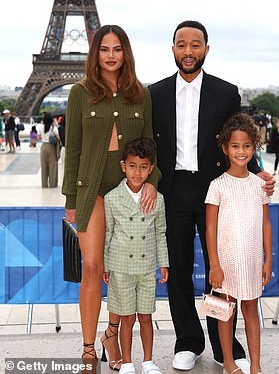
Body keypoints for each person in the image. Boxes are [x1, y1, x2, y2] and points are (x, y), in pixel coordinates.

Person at [148, 20, 274, 373]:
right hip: (173, 190)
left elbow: (240, 137)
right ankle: (187, 340)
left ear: (206, 48)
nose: (188, 51)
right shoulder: (154, 93)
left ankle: (224, 346)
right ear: (172, 48)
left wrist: (259, 170)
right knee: (179, 270)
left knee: (224, 270)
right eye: (182, 44)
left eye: (195, 44)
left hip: (216, 190)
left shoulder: (226, 92)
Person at [62, 25, 160, 369]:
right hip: (92, 191)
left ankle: (112, 332)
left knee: (121, 271)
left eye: (117, 49)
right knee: (92, 267)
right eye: (104, 49)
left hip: (128, 193)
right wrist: (71, 199)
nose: (111, 55)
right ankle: (89, 346)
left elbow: (150, 144)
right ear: (95, 53)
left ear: (126, 52)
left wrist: (153, 181)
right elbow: (72, 147)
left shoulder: (140, 94)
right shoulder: (79, 92)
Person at [205, 114, 272, 374]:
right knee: (226, 310)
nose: (241, 151)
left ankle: (255, 365)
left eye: (246, 146)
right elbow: (210, 228)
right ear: (225, 148)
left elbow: (266, 225)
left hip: (253, 259)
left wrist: (269, 260)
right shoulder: (217, 186)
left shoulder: (260, 186)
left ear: (254, 148)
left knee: (251, 309)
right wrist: (214, 265)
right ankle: (229, 363)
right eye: (235, 146)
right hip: (226, 260)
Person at [103, 138, 169, 374]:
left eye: (143, 167)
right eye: (132, 166)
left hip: (146, 267)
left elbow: (160, 232)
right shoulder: (111, 199)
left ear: (150, 169)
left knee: (146, 317)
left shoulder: (157, 200)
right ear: (123, 166)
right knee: (127, 318)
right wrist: (106, 266)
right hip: (121, 268)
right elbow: (108, 234)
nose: (137, 172)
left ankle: (148, 361)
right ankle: (128, 361)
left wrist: (164, 263)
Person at [37, 112, 60, 188]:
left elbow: (38, 137)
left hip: (43, 147)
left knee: (44, 166)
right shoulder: (54, 128)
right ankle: (53, 184)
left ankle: (44, 184)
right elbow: (58, 138)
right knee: (52, 166)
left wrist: (45, 137)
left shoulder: (41, 127)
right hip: (51, 147)